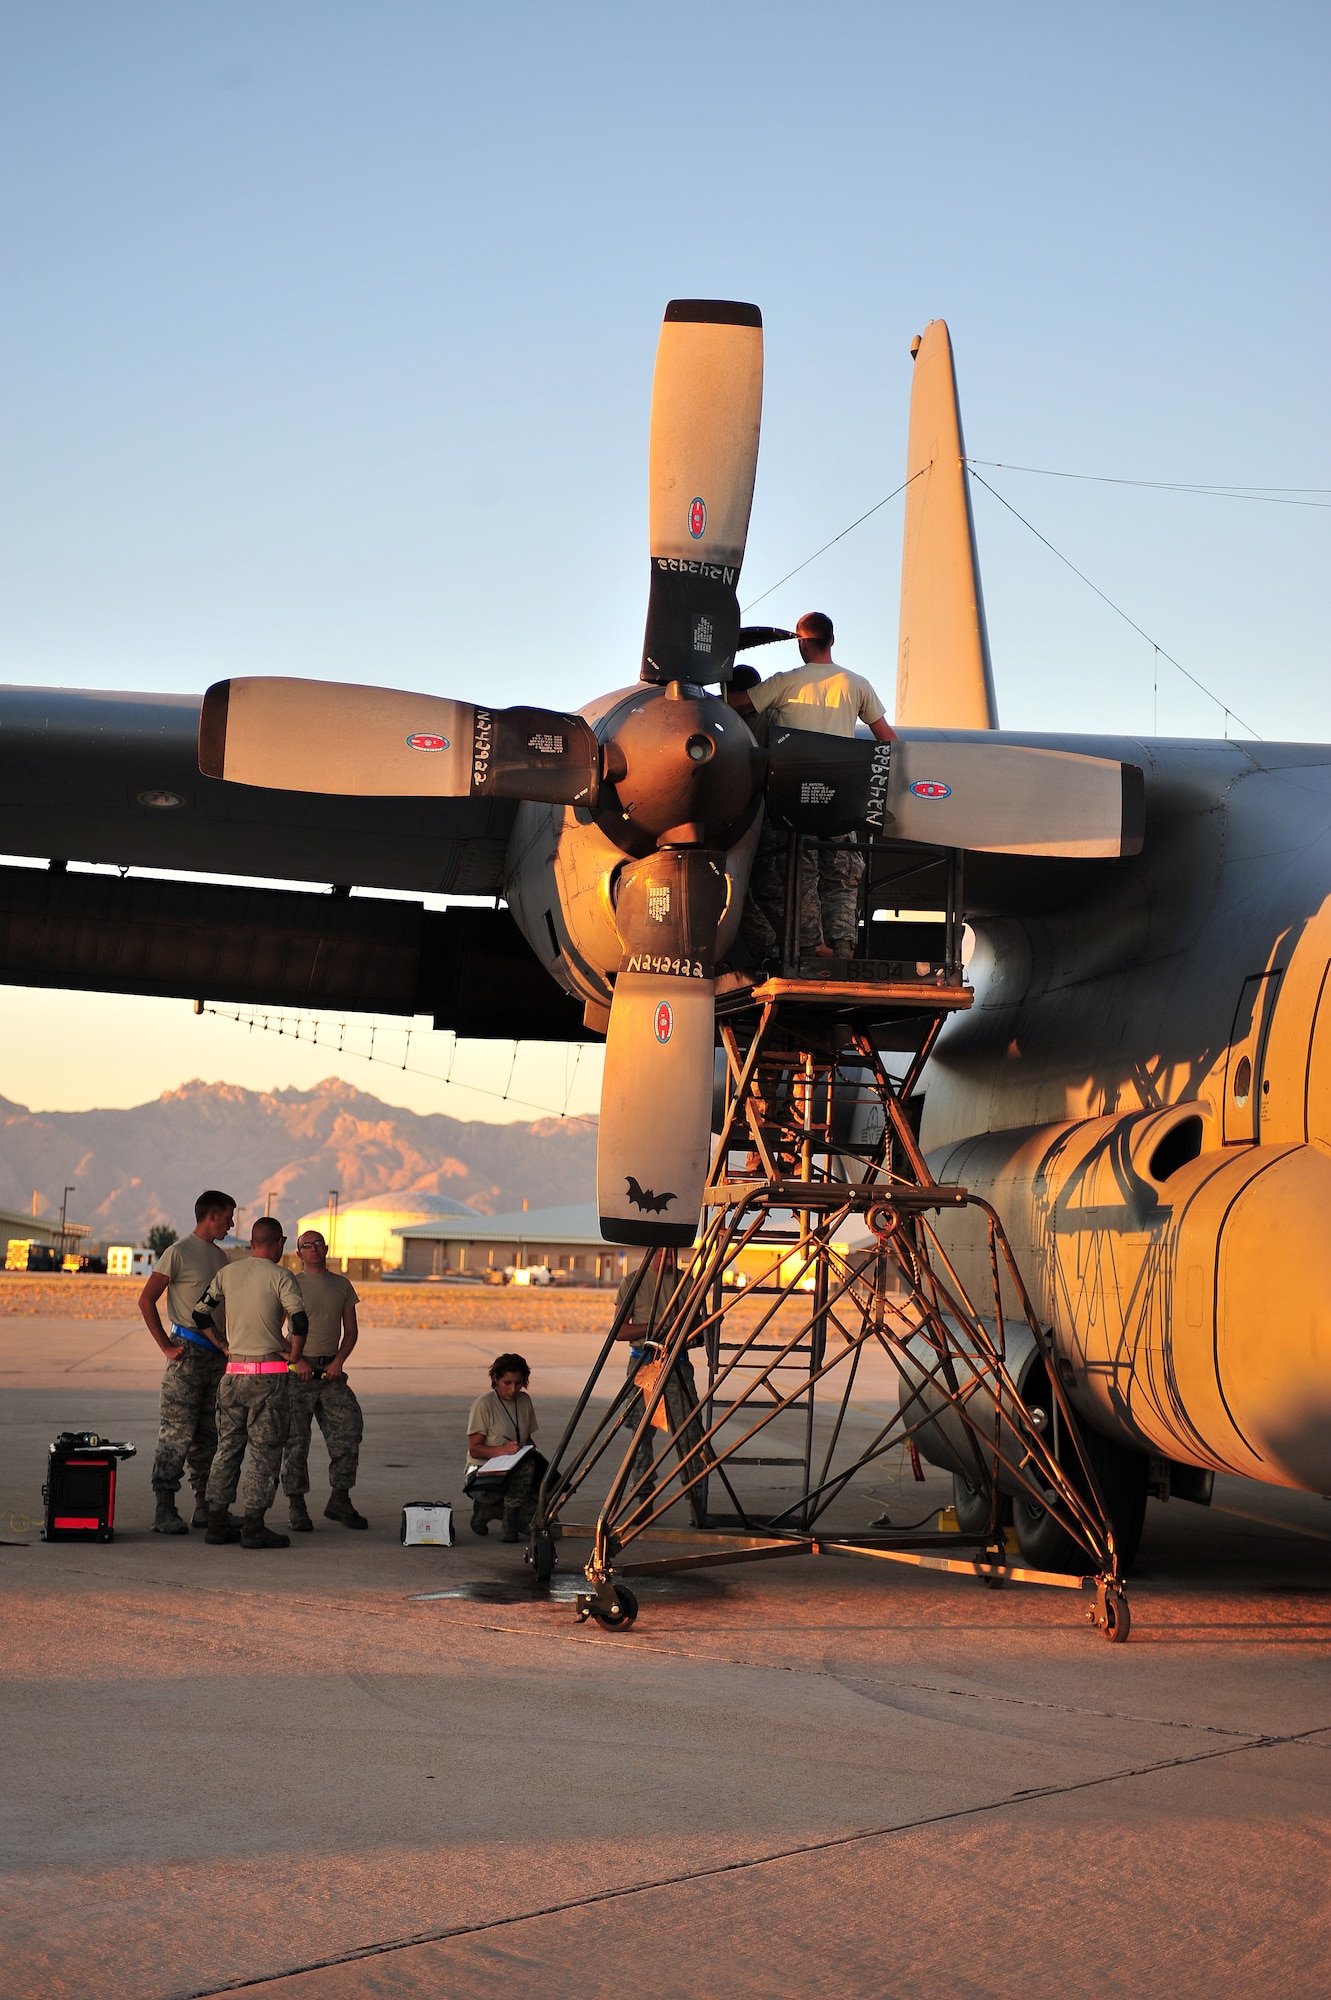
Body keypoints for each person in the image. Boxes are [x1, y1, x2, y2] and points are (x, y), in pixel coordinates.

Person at [729, 612, 895, 963]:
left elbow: (742, 704)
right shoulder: (857, 684)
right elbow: (887, 739)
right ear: (831, 641)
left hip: (796, 796)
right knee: (841, 875)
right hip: (842, 798)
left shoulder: (786, 683)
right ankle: (843, 947)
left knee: (794, 871)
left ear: (801, 643)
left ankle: (810, 945)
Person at [193, 1217, 308, 1550]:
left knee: (226, 1448)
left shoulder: (228, 1273)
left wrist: (222, 1344)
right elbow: (299, 1319)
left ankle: (216, 1521)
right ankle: (253, 1526)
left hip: (233, 1374)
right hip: (267, 1377)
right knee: (264, 1451)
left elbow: (201, 1313)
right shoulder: (281, 1276)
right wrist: (295, 1353)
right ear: (277, 1242)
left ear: (253, 1241)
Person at [138, 1189, 238, 1535]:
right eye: (228, 1216)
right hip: (187, 1353)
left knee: (209, 1435)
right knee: (176, 1433)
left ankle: (206, 1508)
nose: (232, 1223)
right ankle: (164, 1509)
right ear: (211, 1216)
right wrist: (166, 1346)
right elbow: (146, 1300)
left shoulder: (220, 1257)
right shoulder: (178, 1252)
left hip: (216, 1358)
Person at [613, 1248, 712, 1530]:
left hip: (678, 1366)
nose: (668, 1260)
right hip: (644, 1366)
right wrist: (655, 1329)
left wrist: (690, 1336)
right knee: (640, 1436)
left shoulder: (687, 1283)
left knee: (690, 1436)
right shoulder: (633, 1282)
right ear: (651, 1254)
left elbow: (703, 1331)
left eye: (672, 1255)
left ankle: (696, 1502)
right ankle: (643, 1501)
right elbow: (619, 1331)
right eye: (662, 1255)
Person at [280, 1228, 368, 1533]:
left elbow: (351, 1331)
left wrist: (339, 1361)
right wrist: (295, 1358)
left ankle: (340, 1499)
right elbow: (272, 1330)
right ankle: (297, 1506)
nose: (314, 1249)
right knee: (295, 1443)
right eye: (307, 1245)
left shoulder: (341, 1285)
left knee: (349, 1430)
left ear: (326, 1248)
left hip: (331, 1374)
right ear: (299, 1253)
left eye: (318, 1244)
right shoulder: (289, 1284)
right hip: (297, 1377)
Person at [466, 1354, 540, 1543]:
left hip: (515, 1471)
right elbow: (475, 1449)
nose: (513, 1389)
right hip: (483, 1473)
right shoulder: (484, 1405)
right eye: (507, 1382)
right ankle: (509, 1523)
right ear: (495, 1379)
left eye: (518, 1383)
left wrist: (529, 1448)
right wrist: (502, 1450)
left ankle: (489, 1511)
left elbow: (528, 1437)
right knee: (526, 1469)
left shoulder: (524, 1401)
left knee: (548, 1523)